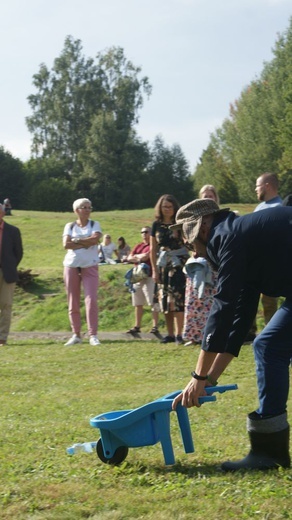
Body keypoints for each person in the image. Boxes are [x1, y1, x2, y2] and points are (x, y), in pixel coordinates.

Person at [171, 198, 291, 471]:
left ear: (200, 228)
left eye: (189, 242)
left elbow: (222, 307)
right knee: (268, 345)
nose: (193, 251)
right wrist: (211, 378)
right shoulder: (238, 235)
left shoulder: (227, 237)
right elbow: (239, 319)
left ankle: (269, 454)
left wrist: (198, 377)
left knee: (269, 346)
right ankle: (269, 451)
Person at [246, 172, 283, 341]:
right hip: (255, 263)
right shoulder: (260, 207)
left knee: (269, 303)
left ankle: (271, 333)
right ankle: (249, 331)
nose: (255, 189)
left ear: (267, 186)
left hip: (271, 265)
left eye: (258, 185)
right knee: (249, 300)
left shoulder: (279, 208)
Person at [150, 194, 189, 345]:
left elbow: (188, 243)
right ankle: (170, 334)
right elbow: (153, 249)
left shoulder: (181, 224)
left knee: (178, 299)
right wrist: (154, 270)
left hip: (179, 265)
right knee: (165, 300)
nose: (167, 210)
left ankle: (180, 334)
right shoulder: (156, 225)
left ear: (175, 208)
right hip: (163, 266)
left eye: (170, 207)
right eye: (164, 207)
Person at [63, 198, 102, 346]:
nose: (86, 210)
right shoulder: (70, 226)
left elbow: (95, 240)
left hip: (90, 265)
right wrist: (85, 241)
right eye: (83, 207)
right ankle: (76, 334)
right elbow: (66, 244)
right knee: (73, 301)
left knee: (91, 300)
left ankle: (93, 334)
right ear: (76, 210)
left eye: (89, 207)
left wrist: (77, 241)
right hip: (71, 265)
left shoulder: (94, 224)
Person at [183, 185, 219, 346]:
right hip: (199, 265)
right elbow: (187, 241)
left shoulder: (223, 217)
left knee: (215, 303)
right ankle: (195, 336)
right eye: (205, 196)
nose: (208, 198)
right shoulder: (192, 220)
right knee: (196, 301)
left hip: (217, 266)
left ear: (216, 198)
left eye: (210, 196)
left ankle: (215, 335)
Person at [126, 226, 159, 334]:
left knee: (152, 302)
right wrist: (138, 257)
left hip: (149, 276)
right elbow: (129, 258)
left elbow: (146, 257)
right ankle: (137, 326)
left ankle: (155, 326)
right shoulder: (139, 246)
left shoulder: (153, 245)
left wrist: (136, 257)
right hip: (138, 276)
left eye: (146, 232)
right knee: (137, 302)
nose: (144, 234)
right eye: (142, 232)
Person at [0, 203, 23, 345]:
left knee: (6, 305)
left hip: (7, 272)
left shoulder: (13, 231)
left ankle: (2, 337)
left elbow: (18, 253)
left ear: (3, 213)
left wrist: (10, 266)